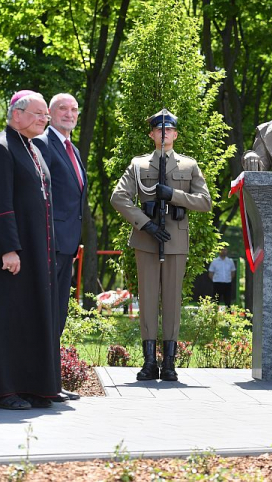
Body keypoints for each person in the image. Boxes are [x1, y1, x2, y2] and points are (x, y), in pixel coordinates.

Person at [0, 90, 60, 410]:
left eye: (46, 114)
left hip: (33, 253)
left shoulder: (31, 148)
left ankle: (33, 386)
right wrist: (9, 249)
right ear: (16, 114)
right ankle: (4, 390)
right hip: (9, 256)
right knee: (7, 319)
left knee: (28, 318)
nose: (44, 119)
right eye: (38, 113)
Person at [111, 109, 212, 381]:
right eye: (159, 129)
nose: (164, 132)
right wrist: (146, 223)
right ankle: (148, 362)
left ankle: (168, 363)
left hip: (175, 240)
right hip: (146, 238)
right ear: (152, 134)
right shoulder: (138, 165)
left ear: (176, 134)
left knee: (171, 301)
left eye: (169, 129)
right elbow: (118, 198)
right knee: (147, 300)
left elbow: (205, 201)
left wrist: (175, 195)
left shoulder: (189, 166)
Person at [33, 93, 87, 402]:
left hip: (66, 246)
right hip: (48, 244)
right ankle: (41, 385)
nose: (69, 114)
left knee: (58, 315)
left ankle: (50, 383)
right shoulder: (42, 144)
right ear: (51, 115)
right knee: (46, 314)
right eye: (62, 109)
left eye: (74, 109)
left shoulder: (73, 150)